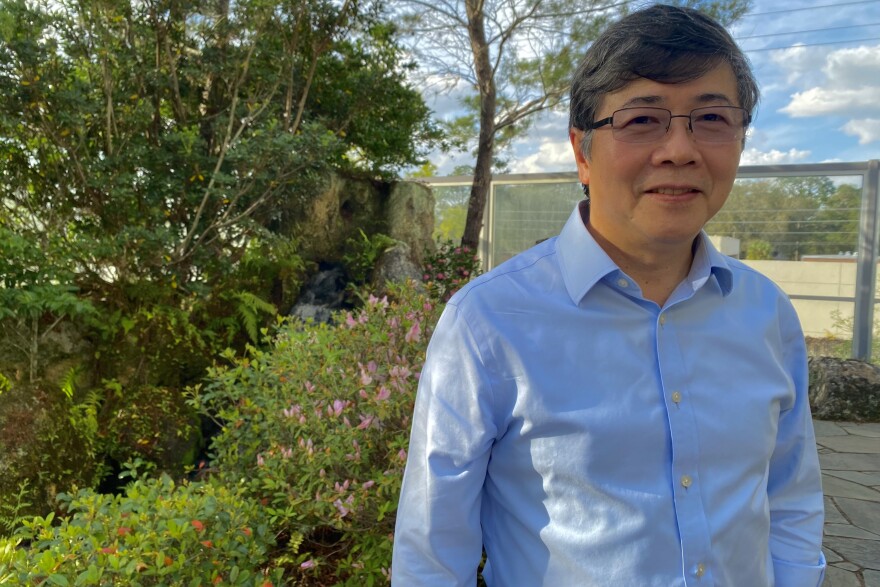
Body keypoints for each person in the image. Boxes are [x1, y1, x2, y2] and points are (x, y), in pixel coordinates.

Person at [391, 5, 825, 586]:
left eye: (712, 118)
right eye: (642, 120)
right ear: (581, 152)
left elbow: (790, 493)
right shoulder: (489, 322)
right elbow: (431, 547)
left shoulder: (767, 314)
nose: (679, 149)